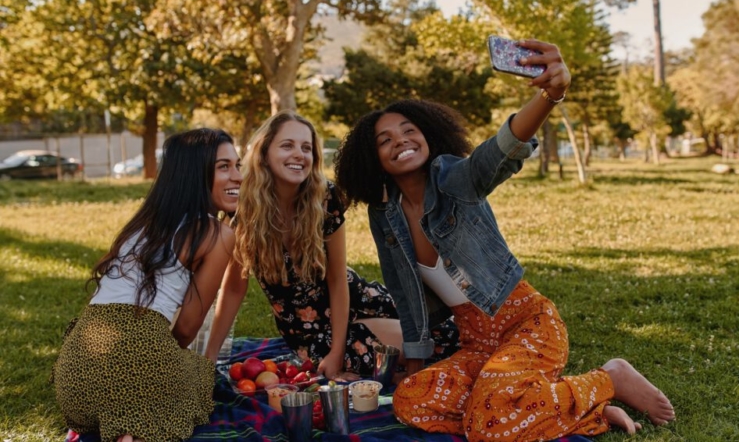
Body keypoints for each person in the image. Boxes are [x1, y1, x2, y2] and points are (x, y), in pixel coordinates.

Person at [334, 38, 676, 441]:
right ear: (373, 158)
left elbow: (501, 149)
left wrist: (552, 94)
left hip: (526, 324)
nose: (400, 141)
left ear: (428, 136)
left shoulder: (454, 179)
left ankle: (609, 378)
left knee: (488, 425)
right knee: (412, 400)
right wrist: (415, 367)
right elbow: (405, 296)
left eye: (409, 131)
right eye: (385, 140)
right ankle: (568, 406)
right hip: (477, 343)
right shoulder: (385, 214)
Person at [204, 111, 458, 380]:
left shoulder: (325, 197)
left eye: (306, 148)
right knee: (416, 348)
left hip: (356, 299)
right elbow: (233, 287)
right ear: (265, 152)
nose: (299, 154)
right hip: (309, 333)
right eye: (287, 145)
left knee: (451, 334)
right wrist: (210, 355)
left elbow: (337, 279)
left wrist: (337, 353)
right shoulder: (242, 207)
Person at [52, 129, 242, 442]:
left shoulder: (142, 224)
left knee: (140, 382)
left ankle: (125, 420)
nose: (237, 176)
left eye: (238, 165)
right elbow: (186, 330)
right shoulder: (217, 234)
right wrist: (172, 368)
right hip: (141, 357)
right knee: (197, 377)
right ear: (195, 174)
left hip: (75, 373)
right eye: (224, 167)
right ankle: (137, 427)